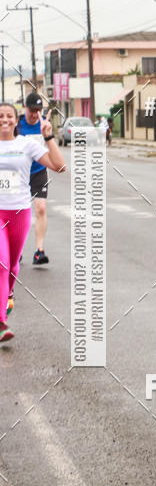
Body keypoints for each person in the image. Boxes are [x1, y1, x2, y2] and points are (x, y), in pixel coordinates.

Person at [0, 103, 66, 341]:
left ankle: (7, 294)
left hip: (18, 212)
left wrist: (48, 137)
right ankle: (1, 323)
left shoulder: (26, 145)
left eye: (8, 116)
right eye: (0, 116)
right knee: (2, 263)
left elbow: (59, 166)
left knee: (13, 265)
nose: (4, 120)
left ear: (15, 121)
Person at [16, 92, 53, 264]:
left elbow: (51, 148)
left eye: (38, 110)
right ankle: (16, 249)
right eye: (32, 110)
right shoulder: (18, 124)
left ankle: (39, 250)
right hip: (19, 172)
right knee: (17, 212)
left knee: (41, 209)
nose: (35, 114)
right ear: (26, 108)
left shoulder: (44, 123)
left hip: (39, 171)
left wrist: (48, 133)